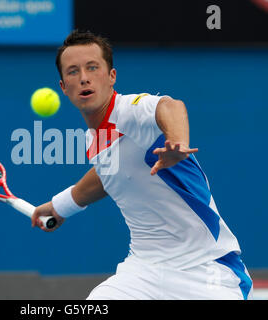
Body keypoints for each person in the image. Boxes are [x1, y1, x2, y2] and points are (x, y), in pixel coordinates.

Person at [31, 30, 253, 300]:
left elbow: (170, 106)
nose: (84, 78)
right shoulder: (96, 139)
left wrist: (177, 143)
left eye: (92, 67)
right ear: (64, 86)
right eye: (73, 71)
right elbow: (108, 174)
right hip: (143, 271)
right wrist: (60, 206)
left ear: (111, 76)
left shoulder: (131, 110)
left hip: (205, 270)